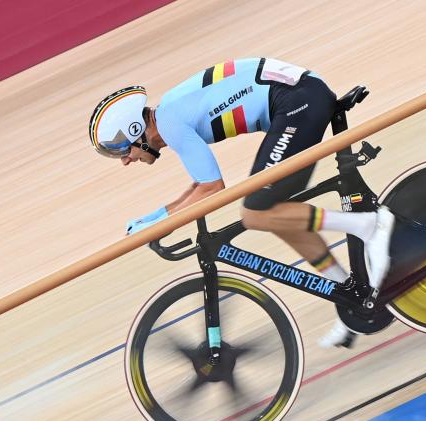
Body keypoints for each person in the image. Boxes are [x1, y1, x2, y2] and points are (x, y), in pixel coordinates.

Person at [89, 57, 395, 348]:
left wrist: (160, 225)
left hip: (297, 102)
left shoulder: (170, 123)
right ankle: (350, 296)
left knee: (255, 213)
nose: (126, 161)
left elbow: (213, 188)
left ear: (134, 130)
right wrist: (156, 218)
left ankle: (369, 224)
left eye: (121, 150)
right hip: (299, 97)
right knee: (277, 214)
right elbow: (200, 185)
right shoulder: (170, 113)